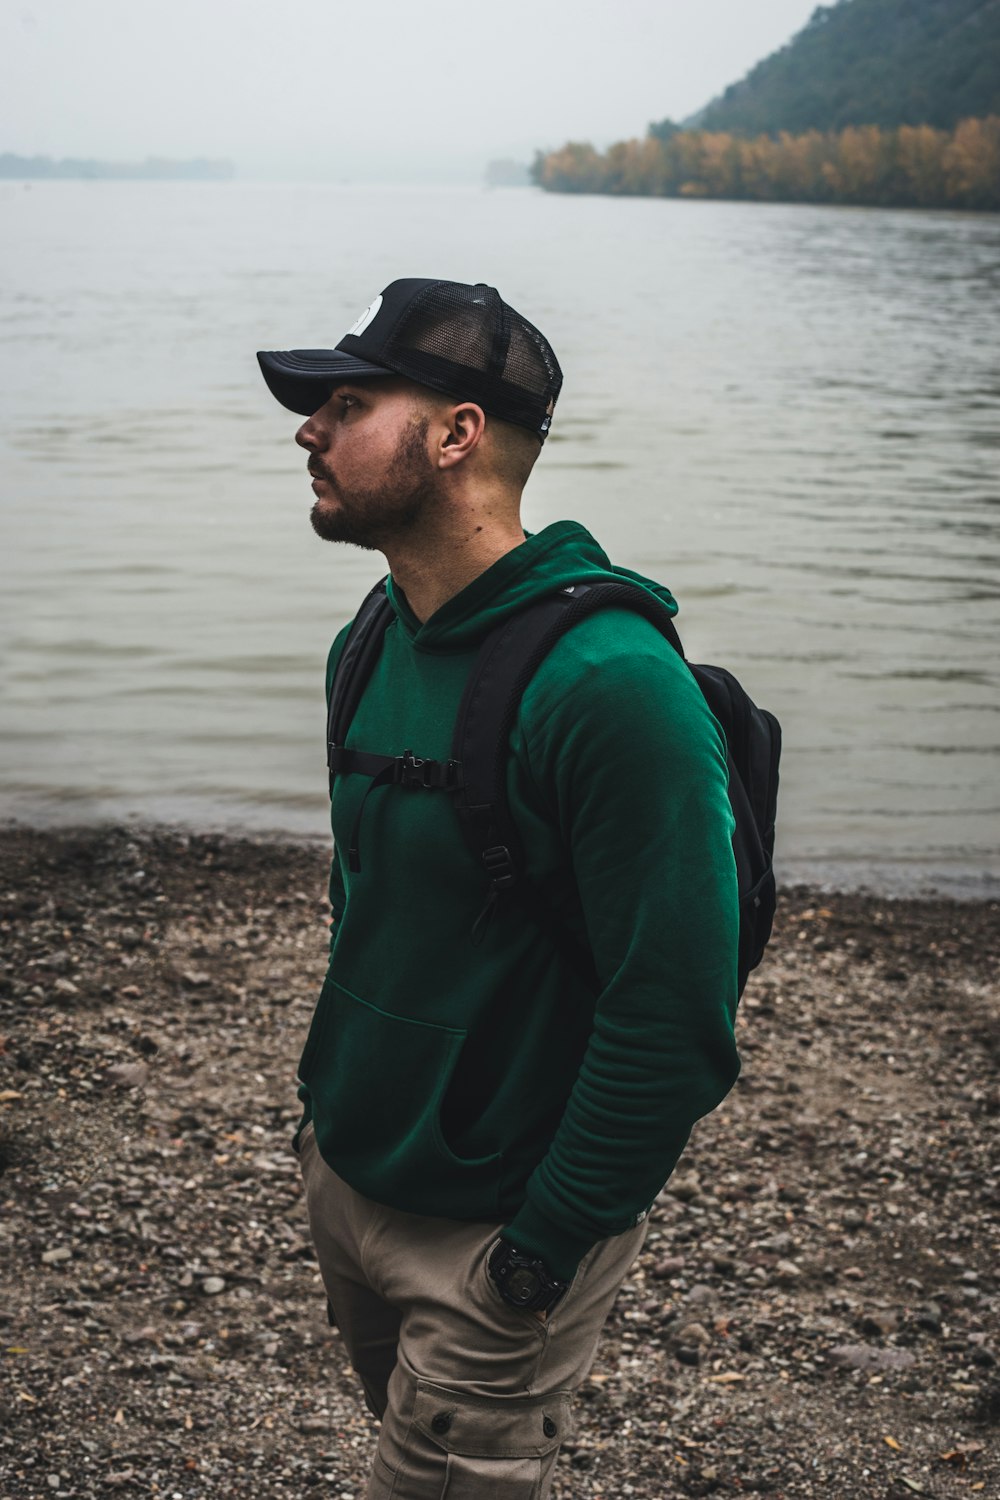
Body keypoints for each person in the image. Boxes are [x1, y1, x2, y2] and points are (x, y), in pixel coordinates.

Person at [257, 278, 741, 1499]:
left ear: (457, 434)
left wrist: (541, 1251)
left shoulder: (611, 685)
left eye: (348, 402)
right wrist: (328, 1130)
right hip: (355, 1177)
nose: (308, 428)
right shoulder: (372, 633)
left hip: (498, 1230)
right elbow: (375, 906)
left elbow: (674, 1015)